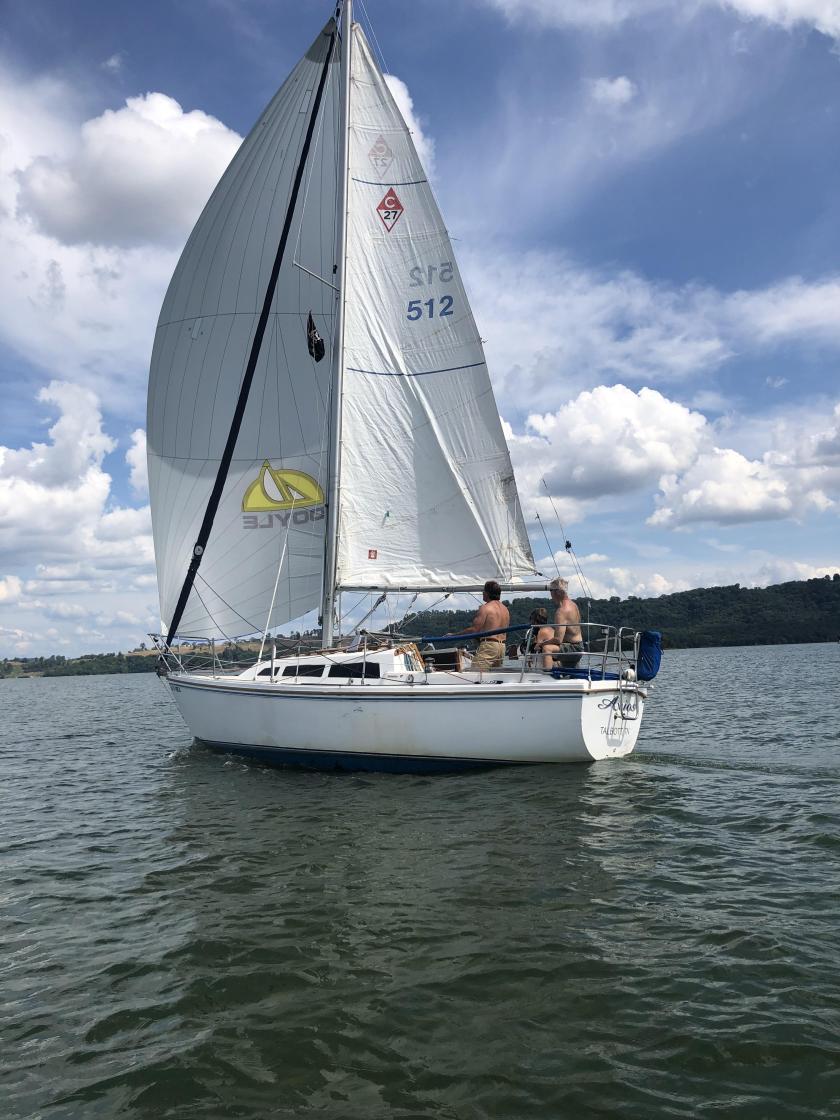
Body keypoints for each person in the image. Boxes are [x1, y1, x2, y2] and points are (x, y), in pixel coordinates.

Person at [463, 580, 510, 672]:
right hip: (502, 646)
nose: (482, 593)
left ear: (487, 593)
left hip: (489, 646)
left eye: (484, 591)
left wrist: (454, 634)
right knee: (494, 678)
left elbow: (474, 630)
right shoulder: (505, 610)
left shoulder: (485, 608)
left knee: (475, 675)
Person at [550, 577, 585, 669]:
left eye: (551, 590)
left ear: (557, 592)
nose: (550, 594)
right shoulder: (574, 605)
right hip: (579, 646)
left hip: (572, 649)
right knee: (571, 674)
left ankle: (546, 674)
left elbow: (558, 640)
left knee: (547, 649)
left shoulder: (561, 611)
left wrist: (541, 644)